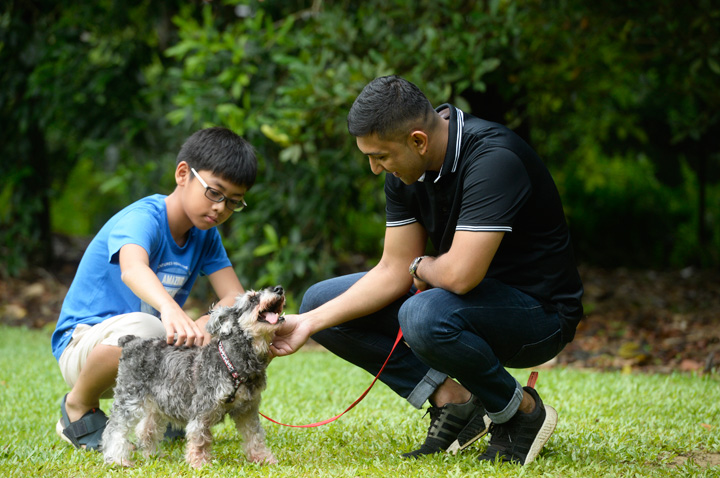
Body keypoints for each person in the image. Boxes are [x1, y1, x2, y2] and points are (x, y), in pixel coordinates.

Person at [270, 76, 584, 465]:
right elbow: (391, 270)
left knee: (421, 314)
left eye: (380, 156)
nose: (374, 168)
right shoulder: (405, 172)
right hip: (466, 302)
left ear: (418, 141)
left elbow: (458, 276)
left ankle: (520, 413)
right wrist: (308, 323)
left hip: (539, 315)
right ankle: (454, 402)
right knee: (322, 302)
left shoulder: (494, 159)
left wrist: (421, 265)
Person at [51, 127, 257, 451]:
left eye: (233, 202)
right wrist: (171, 309)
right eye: (215, 193)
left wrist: (207, 321)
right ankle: (77, 407)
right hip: (84, 347)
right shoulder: (143, 218)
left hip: (145, 360)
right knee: (150, 327)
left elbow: (235, 296)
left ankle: (164, 412)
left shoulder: (205, 236)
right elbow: (133, 269)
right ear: (183, 174)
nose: (220, 208)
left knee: (226, 325)